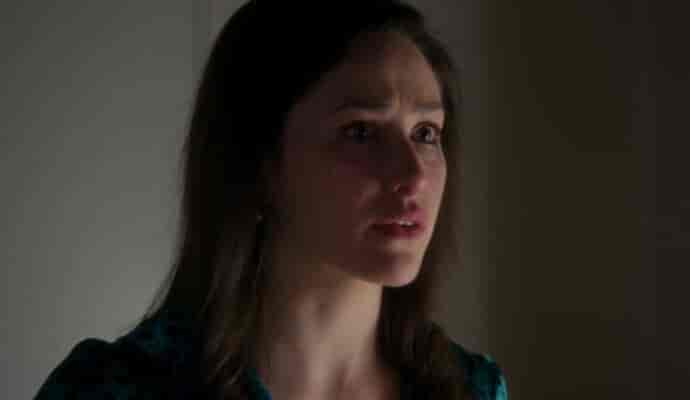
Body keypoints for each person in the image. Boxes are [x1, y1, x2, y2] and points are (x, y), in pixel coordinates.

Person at [33, 1, 507, 399]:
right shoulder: (110, 389)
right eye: (360, 132)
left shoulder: (471, 390)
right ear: (259, 163)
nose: (413, 174)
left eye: (426, 133)